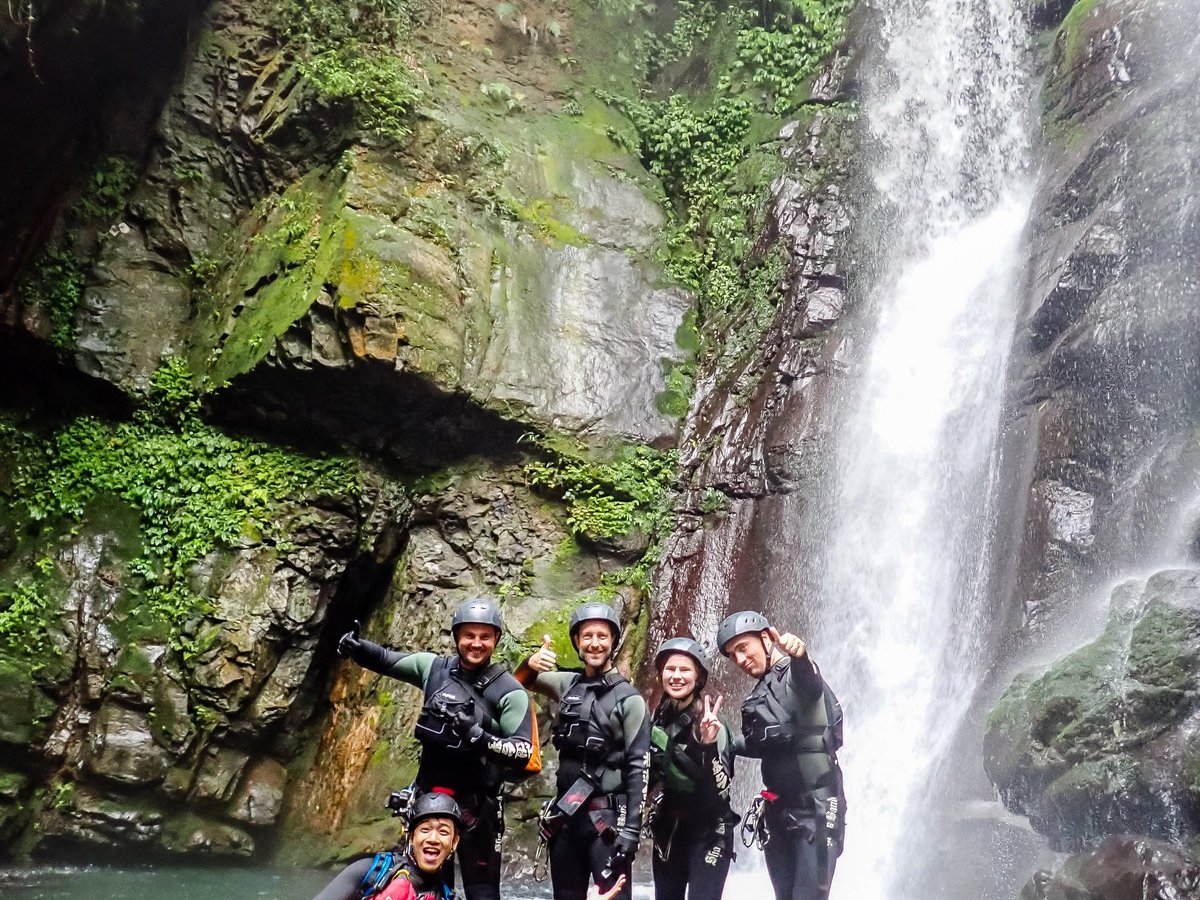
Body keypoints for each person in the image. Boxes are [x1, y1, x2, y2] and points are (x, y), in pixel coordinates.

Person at [337, 598, 535, 900]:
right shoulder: (434, 669)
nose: (476, 643)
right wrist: (357, 648)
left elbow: (522, 751)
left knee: (482, 894)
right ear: (457, 636)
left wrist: (478, 735)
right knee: (426, 891)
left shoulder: (510, 691)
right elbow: (387, 659)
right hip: (429, 808)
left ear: (496, 638)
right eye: (469, 635)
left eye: (485, 636)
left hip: (478, 811)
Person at [517, 602, 650, 900]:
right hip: (565, 821)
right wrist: (530, 661)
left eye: (602, 636)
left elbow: (639, 767)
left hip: (606, 823)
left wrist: (631, 831)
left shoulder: (631, 700)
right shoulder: (568, 684)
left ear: (613, 642)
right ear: (577, 641)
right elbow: (519, 682)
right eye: (587, 636)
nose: (594, 643)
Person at [716, 611, 845, 900]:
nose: (740, 659)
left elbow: (810, 683)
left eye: (743, 648)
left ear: (765, 639)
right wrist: (722, 739)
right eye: (733, 655)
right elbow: (763, 744)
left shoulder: (796, 676)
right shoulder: (759, 696)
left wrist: (801, 656)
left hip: (818, 810)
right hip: (777, 815)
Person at [646, 638, 738, 900]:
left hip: (709, 830)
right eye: (670, 669)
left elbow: (721, 791)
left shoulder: (710, 724)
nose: (676, 676)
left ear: (698, 678)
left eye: (685, 670)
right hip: (670, 827)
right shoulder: (659, 716)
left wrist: (707, 746)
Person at [313, 790, 462, 900]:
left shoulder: (446, 896)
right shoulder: (370, 871)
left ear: (454, 842)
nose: (433, 838)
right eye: (425, 829)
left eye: (443, 832)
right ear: (411, 837)